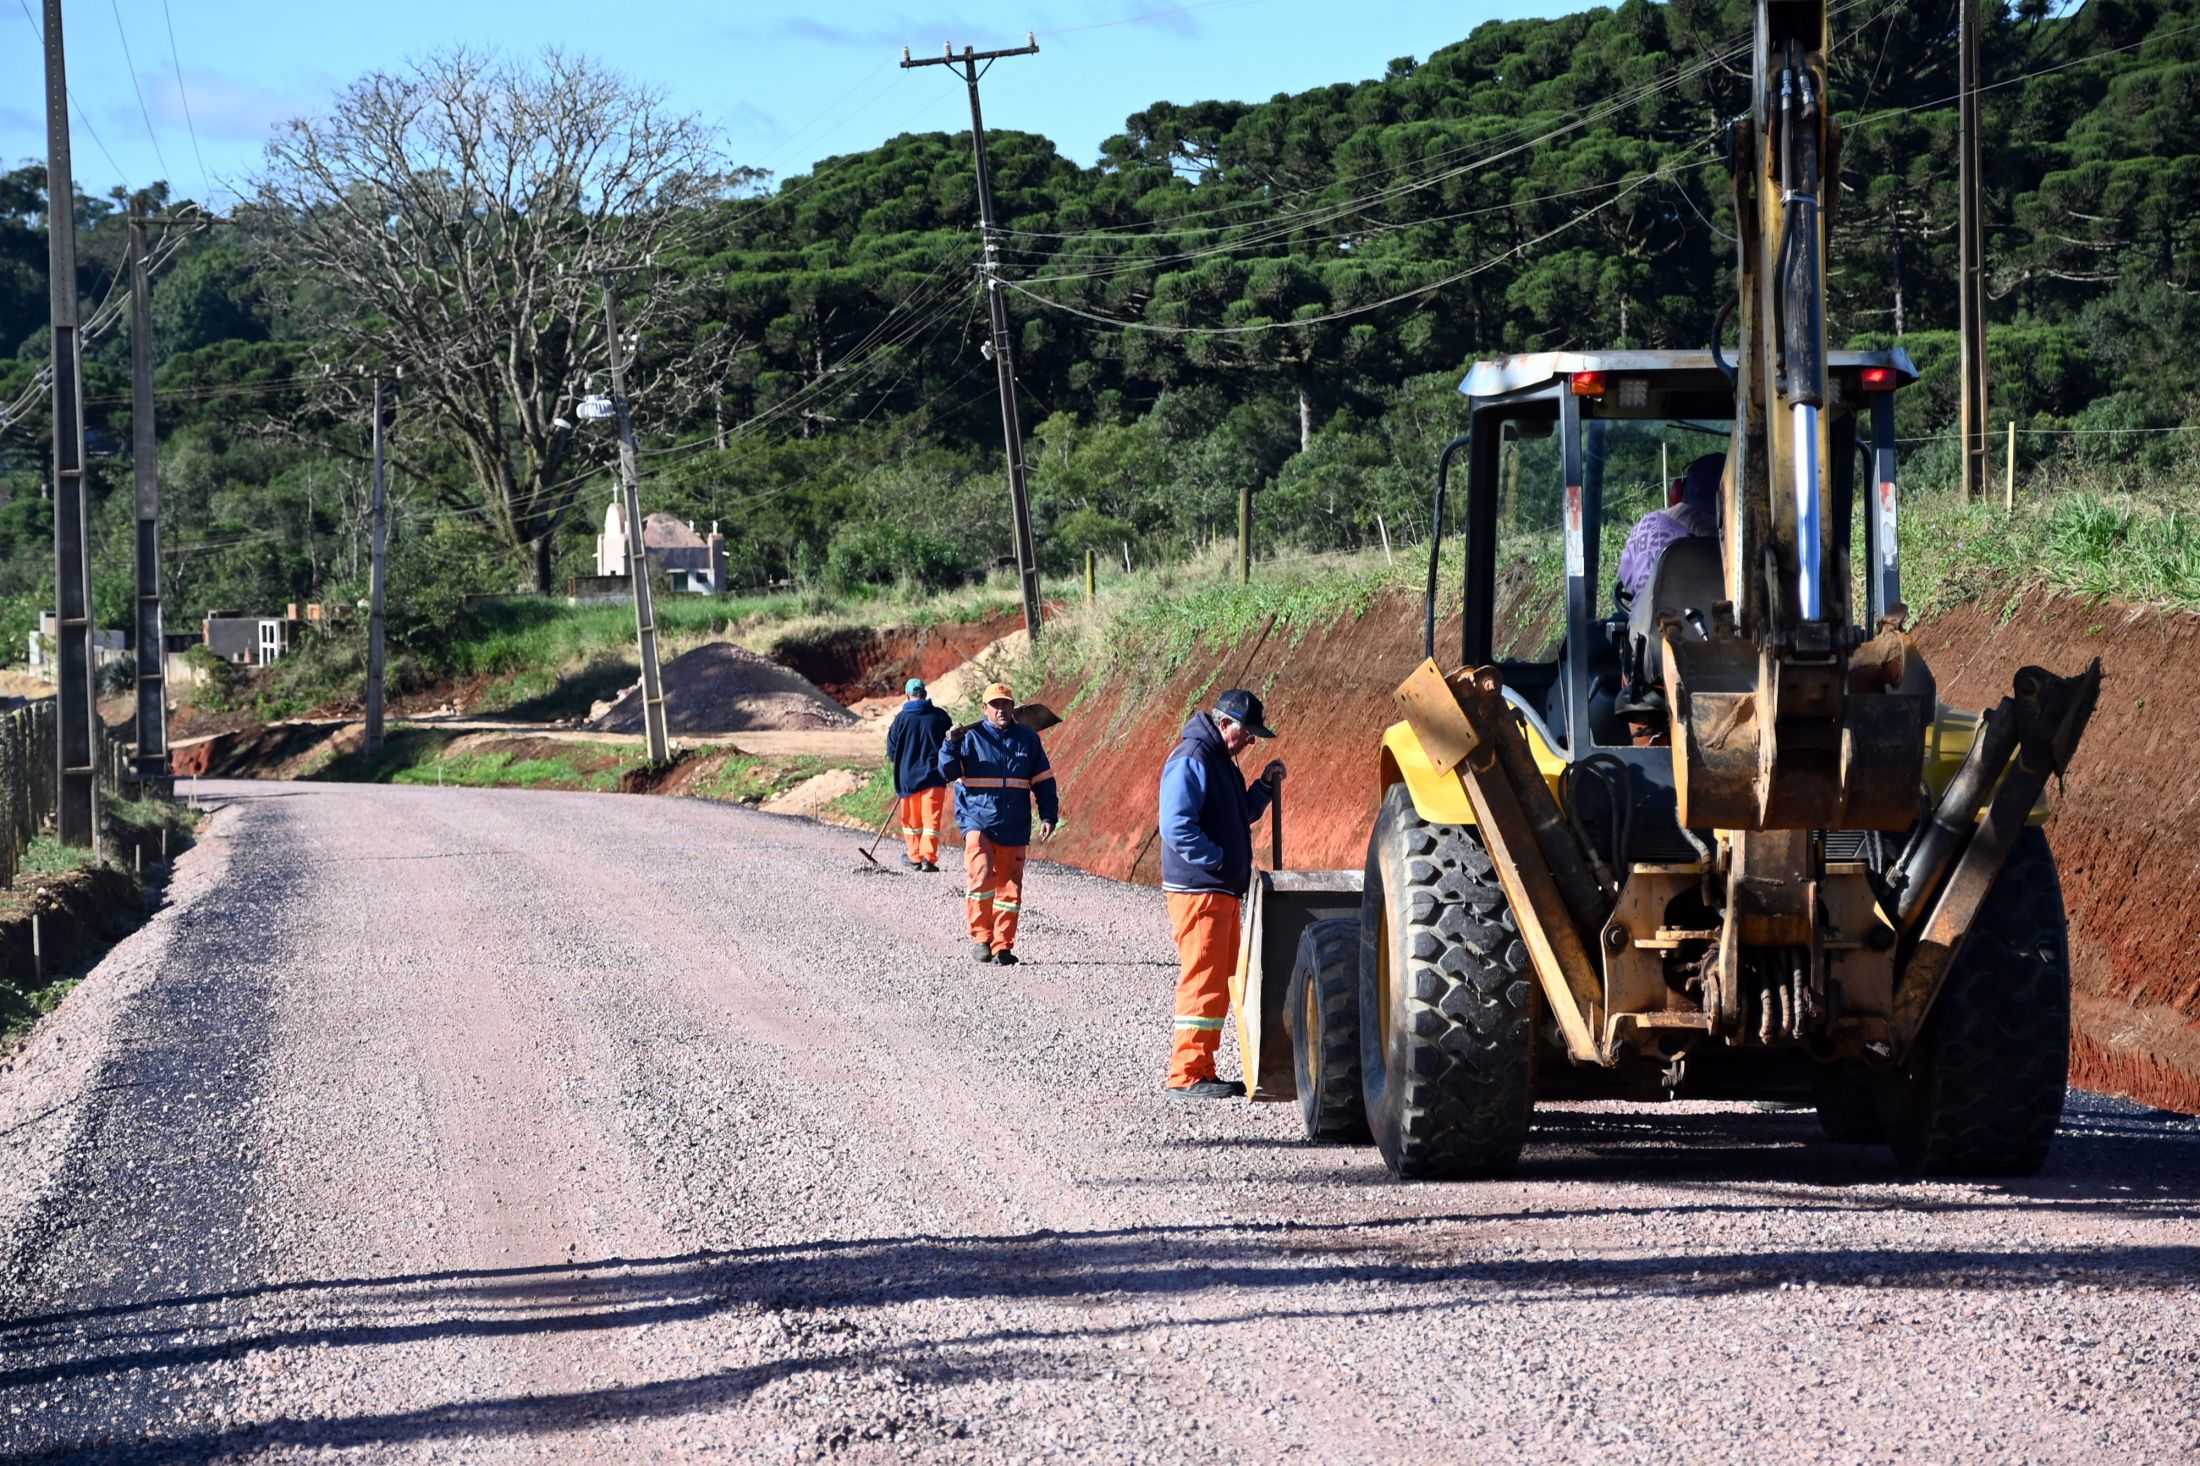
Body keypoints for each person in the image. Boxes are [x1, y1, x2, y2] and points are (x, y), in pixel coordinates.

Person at [1157, 687, 1286, 1099]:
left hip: (1220, 889)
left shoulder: (1220, 761)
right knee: (1203, 979)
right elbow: (1176, 826)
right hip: (1201, 890)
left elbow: (1237, 814)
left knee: (1220, 978)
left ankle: (1202, 1067)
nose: (1250, 741)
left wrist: (1263, 787)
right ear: (1224, 723)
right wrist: (1218, 861)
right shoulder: (1193, 758)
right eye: (1247, 732)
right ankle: (1187, 1074)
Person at [939, 682, 1058, 966]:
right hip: (977, 820)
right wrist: (950, 744)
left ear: (1013, 706)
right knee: (980, 877)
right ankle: (981, 938)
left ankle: (1002, 945)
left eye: (1006, 704)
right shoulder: (970, 737)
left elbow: (1042, 780)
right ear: (985, 709)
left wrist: (1048, 815)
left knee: (1010, 889)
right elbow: (947, 770)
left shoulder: (1027, 739)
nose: (1001, 709)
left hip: (1014, 824)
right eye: (995, 705)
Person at [1617, 451, 1726, 602]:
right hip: (1703, 623)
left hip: (1644, 623)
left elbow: (1625, 574)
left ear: (1678, 490)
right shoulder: (1721, 538)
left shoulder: (1645, 523)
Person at [885, 677, 952, 871]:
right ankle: (928, 858)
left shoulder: (900, 719)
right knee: (931, 820)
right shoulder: (940, 717)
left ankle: (914, 856)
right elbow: (952, 744)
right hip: (934, 777)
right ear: (925, 694)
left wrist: (903, 760)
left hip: (907, 779)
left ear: (907, 695)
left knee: (912, 821)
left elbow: (891, 750)